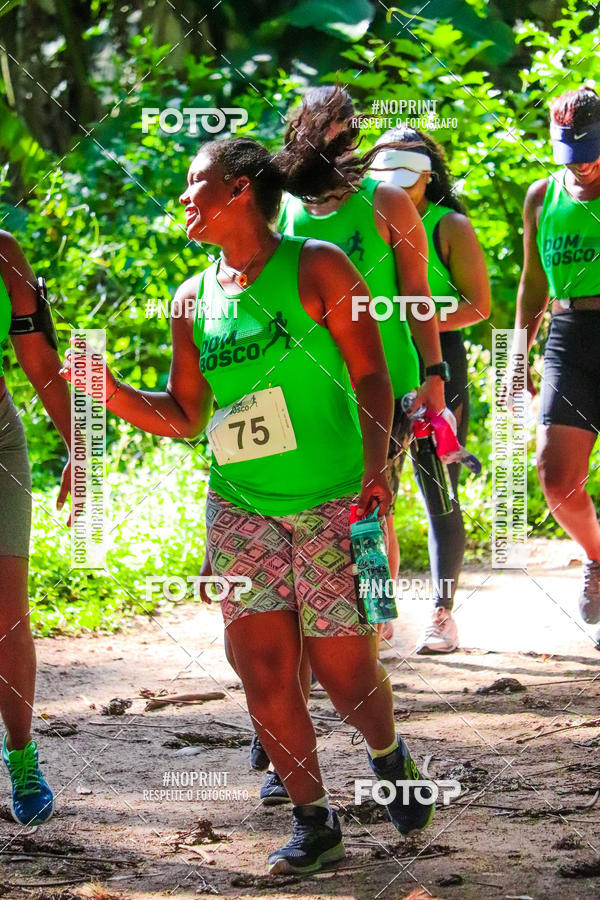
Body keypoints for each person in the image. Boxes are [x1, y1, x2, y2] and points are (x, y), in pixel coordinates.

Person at [61, 137, 436, 875]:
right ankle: (313, 820)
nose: (183, 199)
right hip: (240, 505)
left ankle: (387, 753)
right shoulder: (192, 298)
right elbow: (187, 415)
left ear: (238, 191)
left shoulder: (319, 266)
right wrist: (109, 393)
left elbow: (370, 379)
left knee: (344, 672)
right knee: (261, 669)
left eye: (195, 183)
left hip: (333, 498)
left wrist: (377, 471)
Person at [277, 87, 447, 650]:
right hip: (307, 386)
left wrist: (434, 374)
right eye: (324, 129)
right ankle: (322, 619)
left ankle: (373, 622)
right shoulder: (286, 210)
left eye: (346, 129)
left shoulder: (387, 203)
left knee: (370, 506)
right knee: (314, 504)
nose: (338, 139)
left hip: (384, 379)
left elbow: (418, 294)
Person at [371, 126, 490, 653]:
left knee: (437, 490)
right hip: (377, 368)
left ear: (427, 177)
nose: (397, 189)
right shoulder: (366, 220)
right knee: (370, 495)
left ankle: (442, 614)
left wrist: (413, 320)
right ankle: (373, 614)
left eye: (407, 180)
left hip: (436, 367)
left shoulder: (450, 225)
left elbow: (478, 306)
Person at [514, 85, 600, 636]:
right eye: (572, 151)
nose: (584, 162)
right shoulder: (542, 197)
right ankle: (598, 557)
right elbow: (532, 280)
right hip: (568, 336)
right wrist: (517, 352)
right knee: (556, 478)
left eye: (592, 149)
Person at [0, 231, 71, 825]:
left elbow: (39, 358)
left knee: (8, 614)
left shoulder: (4, 251)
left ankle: (21, 756)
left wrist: (79, 443)